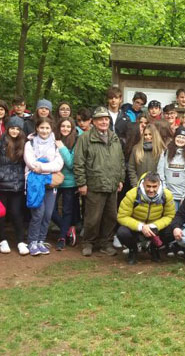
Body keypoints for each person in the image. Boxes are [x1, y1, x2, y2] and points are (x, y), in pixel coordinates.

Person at [73, 106, 126, 257]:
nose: (104, 122)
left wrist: (120, 179)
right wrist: (82, 183)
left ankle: (106, 243)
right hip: (94, 184)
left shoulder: (114, 137)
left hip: (112, 184)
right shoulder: (85, 138)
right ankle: (88, 242)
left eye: (106, 119)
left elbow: (121, 160)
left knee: (111, 217)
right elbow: (78, 162)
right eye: (100, 119)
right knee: (92, 217)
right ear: (94, 122)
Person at [0, 115, 28, 255]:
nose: (14, 131)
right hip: (1, 185)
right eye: (12, 128)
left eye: (17, 129)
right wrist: (1, 176)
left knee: (16, 213)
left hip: (17, 185)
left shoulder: (24, 144)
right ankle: (2, 239)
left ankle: (21, 241)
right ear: (7, 129)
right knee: (1, 213)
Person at [23, 116, 64, 256]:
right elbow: (31, 163)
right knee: (38, 213)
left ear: (51, 128)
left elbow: (59, 164)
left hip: (50, 183)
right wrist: (47, 166)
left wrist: (42, 166)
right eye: (42, 128)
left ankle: (41, 240)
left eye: (47, 128)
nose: (44, 131)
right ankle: (32, 241)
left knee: (47, 214)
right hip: (34, 183)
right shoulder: (30, 143)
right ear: (37, 128)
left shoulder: (55, 144)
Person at [117, 172, 176, 264]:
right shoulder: (132, 194)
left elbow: (170, 216)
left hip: (155, 228)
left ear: (159, 185)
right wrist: (141, 226)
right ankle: (133, 249)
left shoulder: (167, 195)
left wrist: (154, 226)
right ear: (143, 184)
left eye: (154, 186)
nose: (151, 190)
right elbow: (122, 216)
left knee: (173, 230)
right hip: (136, 227)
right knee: (122, 232)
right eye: (148, 186)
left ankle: (154, 248)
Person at [50, 117, 79, 250]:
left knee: (67, 210)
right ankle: (67, 229)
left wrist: (61, 147)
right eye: (63, 126)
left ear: (72, 128)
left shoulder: (76, 141)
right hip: (54, 181)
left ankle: (62, 237)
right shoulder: (52, 139)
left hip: (69, 182)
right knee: (51, 210)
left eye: (68, 126)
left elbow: (71, 164)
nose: (65, 129)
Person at [156, 127, 185, 210]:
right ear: (174, 138)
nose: (180, 140)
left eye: (183, 138)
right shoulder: (165, 153)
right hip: (168, 196)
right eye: (178, 137)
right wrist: (165, 193)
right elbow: (160, 174)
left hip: (183, 197)